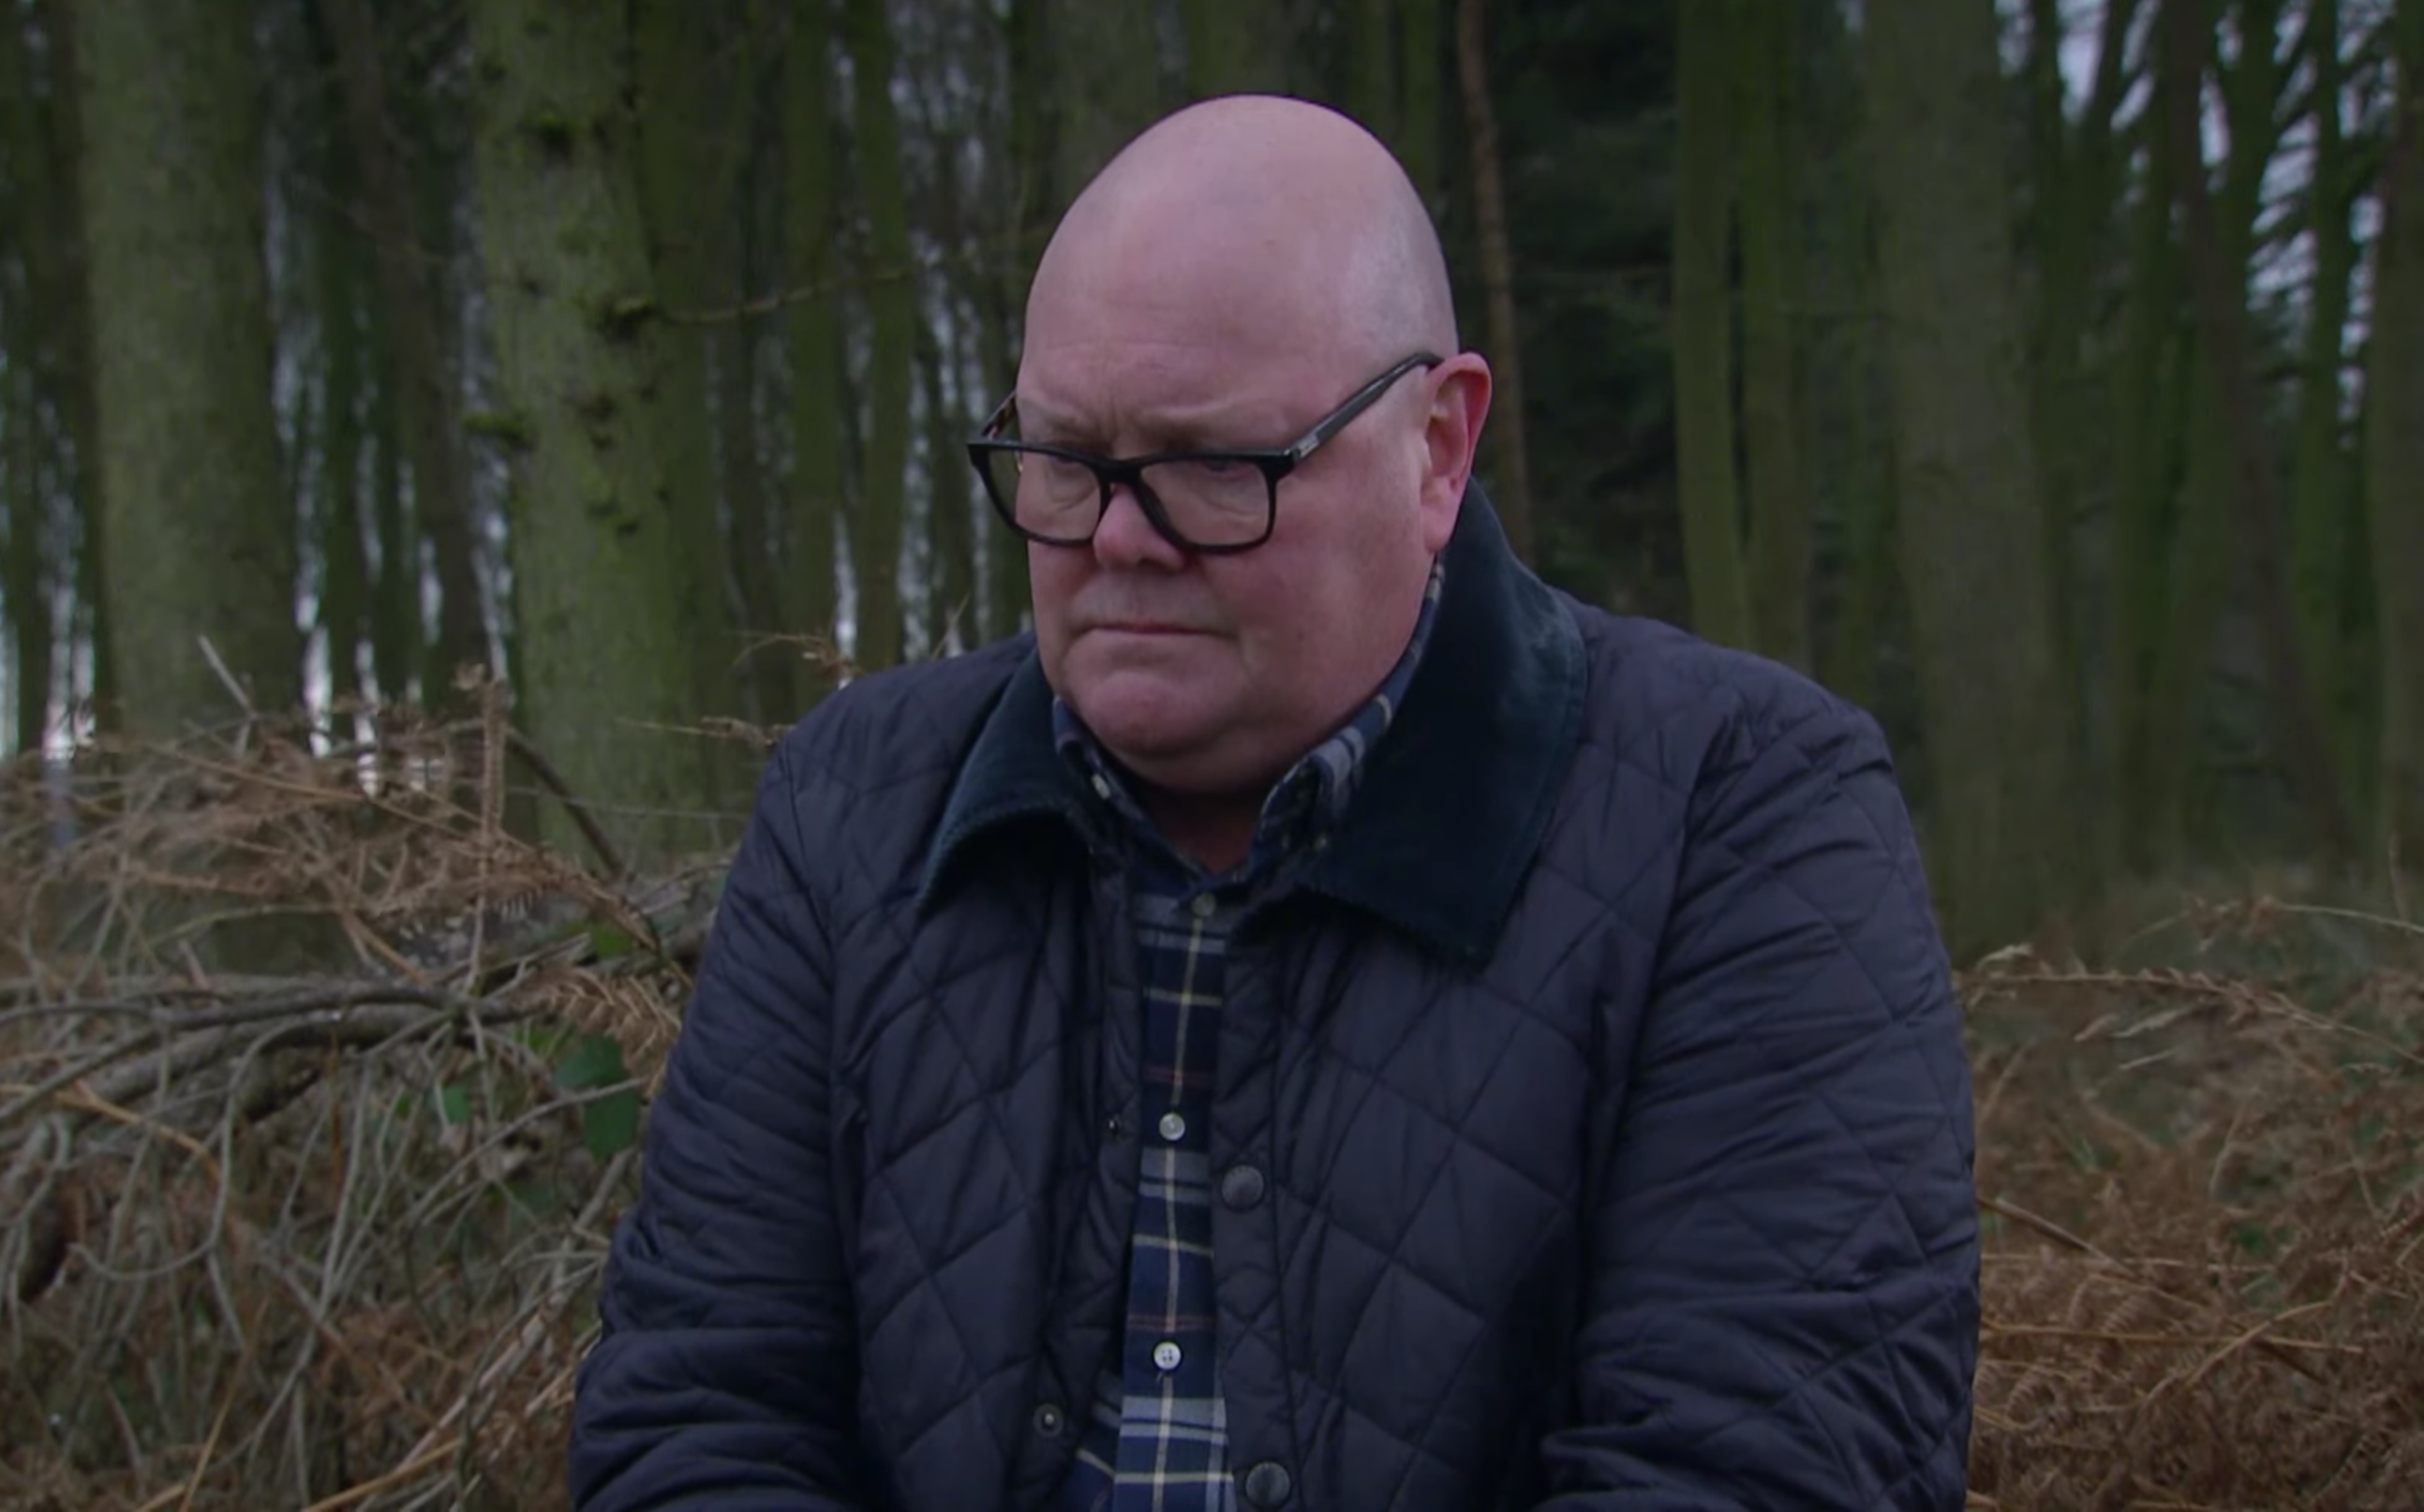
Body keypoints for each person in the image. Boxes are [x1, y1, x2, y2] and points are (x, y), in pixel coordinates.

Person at [569, 95, 1979, 1511]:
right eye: (1064, 458)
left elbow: (1761, 1465)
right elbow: (699, 1415)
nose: (1120, 540)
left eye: (1208, 466)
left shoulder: (1739, 817)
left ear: (1436, 447)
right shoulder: (855, 808)